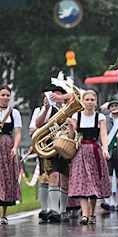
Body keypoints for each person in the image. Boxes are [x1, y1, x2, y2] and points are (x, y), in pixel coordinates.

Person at [66, 90, 111, 225]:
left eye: (92, 100)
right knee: (83, 182)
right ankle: (85, 215)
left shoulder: (100, 117)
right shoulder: (76, 115)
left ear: (95, 102)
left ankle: (91, 213)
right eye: (87, 100)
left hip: (94, 151)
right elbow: (72, 136)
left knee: (93, 183)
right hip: (80, 151)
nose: (89, 102)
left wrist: (105, 149)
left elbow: (103, 135)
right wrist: (70, 126)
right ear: (83, 101)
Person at [35, 85, 71, 222]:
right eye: (53, 96)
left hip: (65, 147)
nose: (56, 98)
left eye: (59, 95)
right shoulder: (43, 109)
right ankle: (52, 210)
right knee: (53, 176)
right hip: (49, 148)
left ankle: (62, 210)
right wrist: (46, 109)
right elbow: (37, 125)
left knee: (65, 179)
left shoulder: (68, 110)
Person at [0, 86, 22, 225]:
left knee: (6, 177)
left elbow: (18, 133)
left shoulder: (14, 113)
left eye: (8, 95)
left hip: (7, 145)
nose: (5, 97)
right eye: (3, 95)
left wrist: (15, 147)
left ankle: (4, 214)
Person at [101, 99, 118, 211]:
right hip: (109, 150)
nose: (114, 108)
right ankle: (109, 201)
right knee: (109, 176)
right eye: (112, 106)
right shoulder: (105, 119)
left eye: (116, 106)